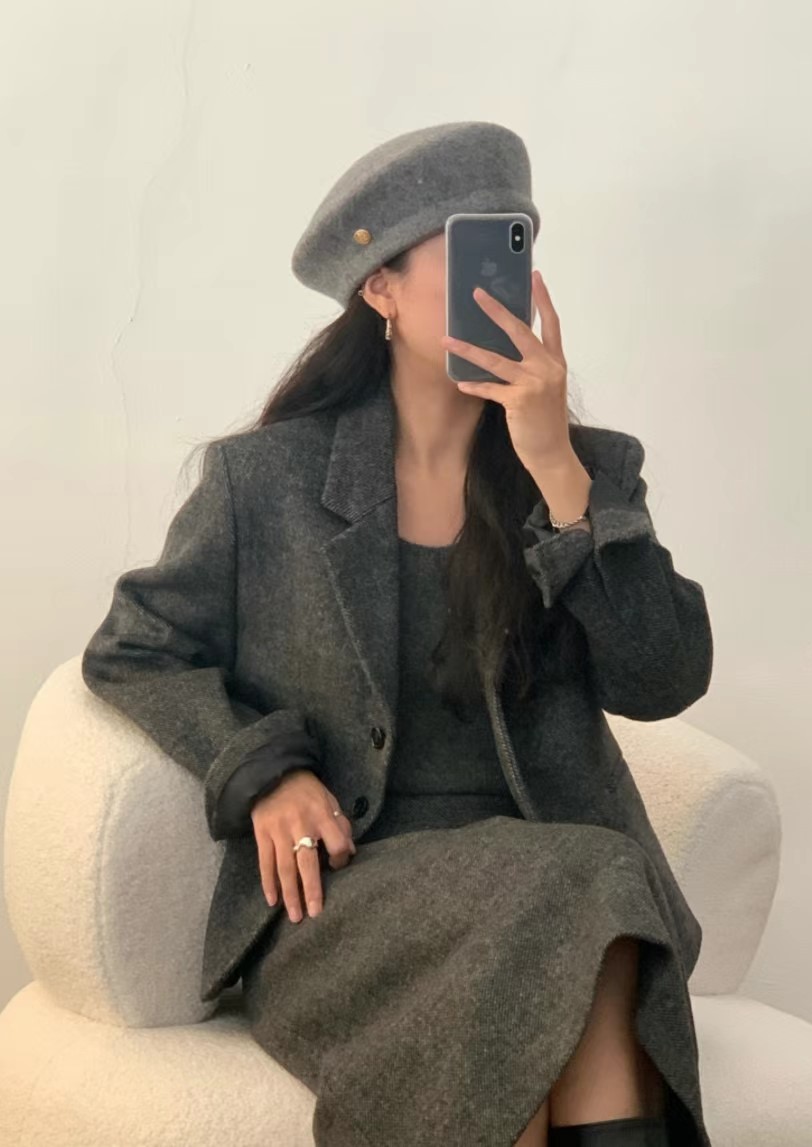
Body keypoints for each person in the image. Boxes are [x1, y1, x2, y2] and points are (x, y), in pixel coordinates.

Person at [81, 121, 714, 1147]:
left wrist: (559, 475)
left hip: (555, 878)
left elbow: (663, 677)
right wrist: (262, 770)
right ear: (379, 287)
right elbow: (135, 643)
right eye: (470, 252)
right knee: (589, 892)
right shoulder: (266, 481)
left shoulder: (588, 470)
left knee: (584, 894)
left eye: (514, 250)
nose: (500, 289)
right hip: (349, 896)